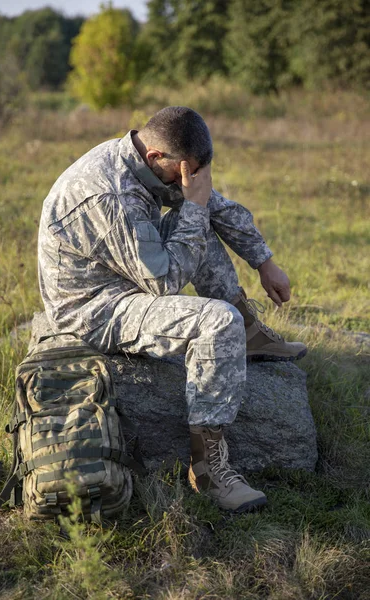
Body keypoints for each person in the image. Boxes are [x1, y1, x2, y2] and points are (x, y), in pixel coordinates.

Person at [38, 106, 307, 513]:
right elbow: (163, 283)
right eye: (185, 172)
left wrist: (263, 261)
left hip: (128, 275)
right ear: (155, 158)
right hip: (95, 307)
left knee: (195, 223)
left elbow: (212, 205)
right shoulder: (110, 195)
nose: (190, 181)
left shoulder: (147, 160)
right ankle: (208, 470)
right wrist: (195, 210)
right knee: (217, 320)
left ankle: (251, 336)